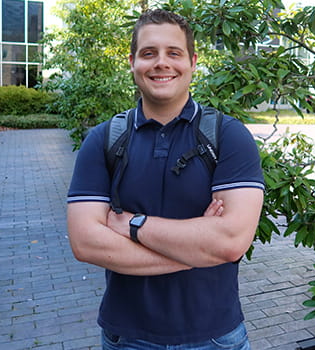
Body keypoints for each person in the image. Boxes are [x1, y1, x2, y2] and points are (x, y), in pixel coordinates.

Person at [67, 9, 265, 350]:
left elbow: (231, 241)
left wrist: (133, 225)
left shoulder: (228, 136)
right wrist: (201, 249)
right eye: (148, 53)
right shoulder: (104, 140)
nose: (161, 63)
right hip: (127, 337)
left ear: (192, 61)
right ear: (132, 62)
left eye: (173, 53)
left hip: (215, 336)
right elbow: (86, 242)